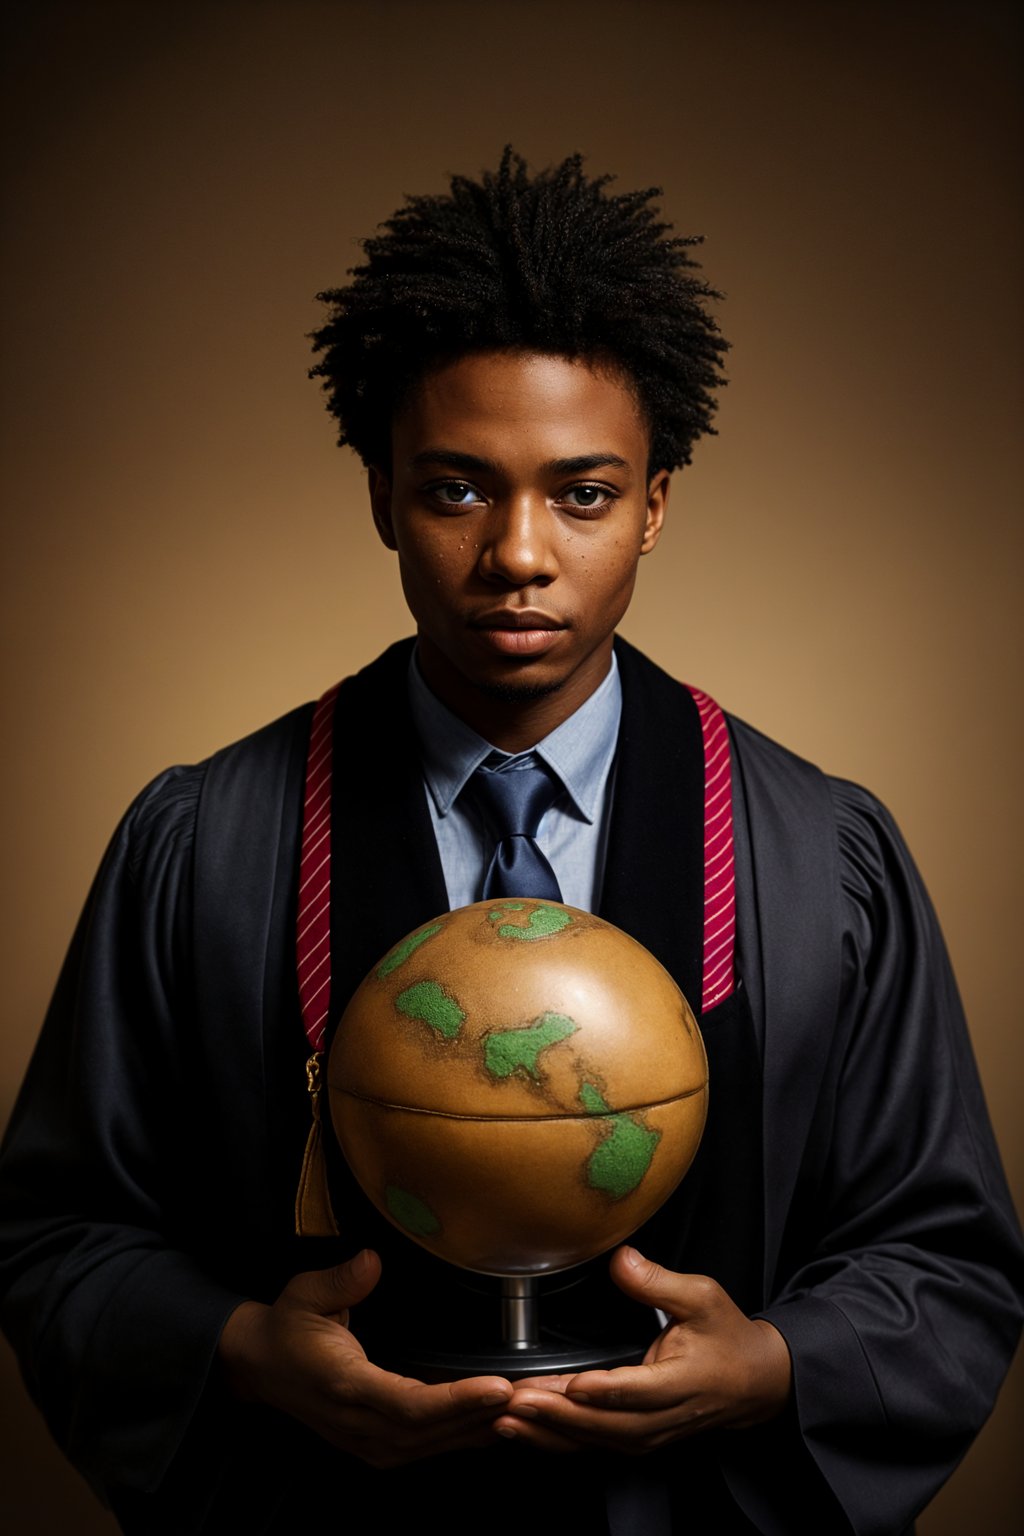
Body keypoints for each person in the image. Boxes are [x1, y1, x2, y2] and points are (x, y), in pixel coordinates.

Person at [1, 148, 1021, 1536]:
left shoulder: (815, 856)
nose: (520, 554)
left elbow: (949, 1262)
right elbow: (59, 1239)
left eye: (584, 494)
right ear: (382, 496)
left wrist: (774, 1369)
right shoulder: (207, 844)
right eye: (459, 488)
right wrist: (243, 1353)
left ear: (656, 503)